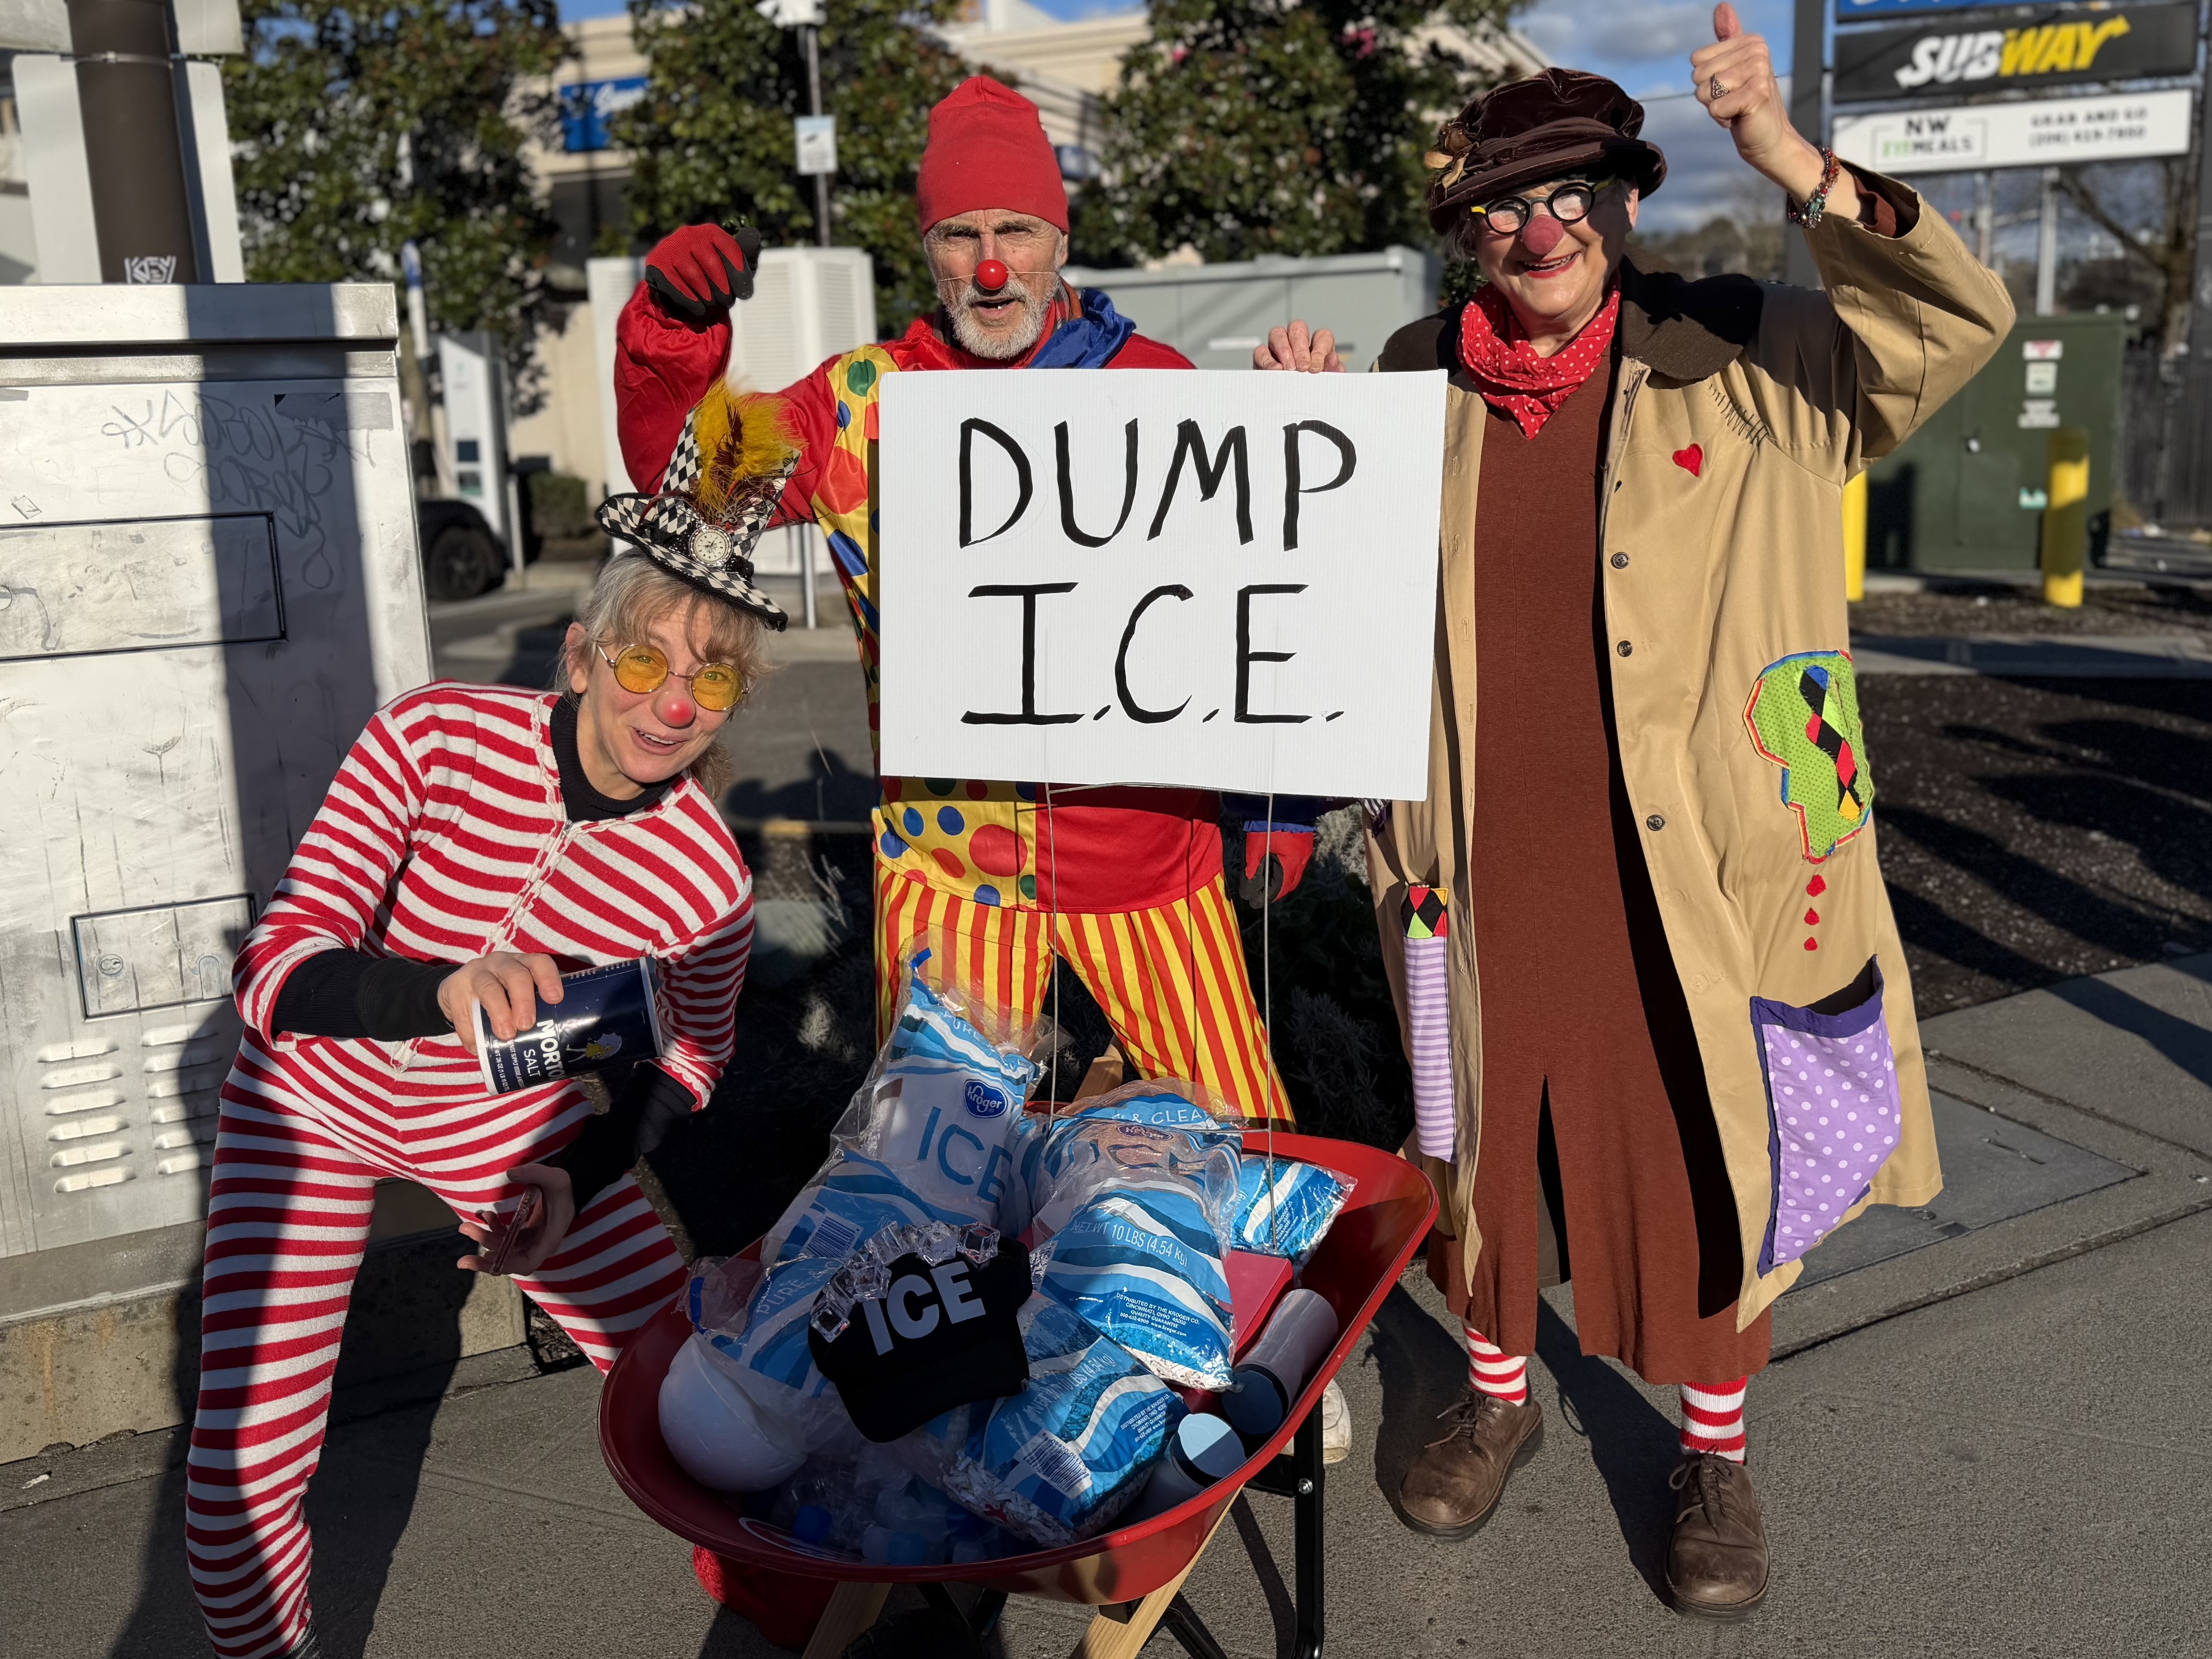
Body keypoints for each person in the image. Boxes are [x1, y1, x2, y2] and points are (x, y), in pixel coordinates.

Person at [1259, 5, 2011, 1619]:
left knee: (1699, 1145)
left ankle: (1716, 1453)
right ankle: (1495, 1390)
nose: (1539, 233)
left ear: (1626, 202)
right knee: (1480, 1141)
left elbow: (1953, 325)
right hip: (1472, 855)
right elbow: (1320, 606)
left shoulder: (1749, 349)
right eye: (1502, 208)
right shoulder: (1411, 388)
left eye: (1572, 198)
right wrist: (1298, 437)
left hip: (1697, 864)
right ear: (1466, 230)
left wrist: (1798, 162)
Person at [183, 402, 793, 1659]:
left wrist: (573, 1173)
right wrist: (440, 986)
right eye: (642, 662)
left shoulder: (702, 879)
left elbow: (691, 1058)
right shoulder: (435, 737)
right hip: (309, 1102)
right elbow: (275, 967)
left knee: (721, 1411)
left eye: (711, 676)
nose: (671, 705)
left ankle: (813, 1623)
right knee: (234, 1479)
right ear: (579, 656)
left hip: (506, 1137)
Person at [615, 74, 1310, 1123]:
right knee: (934, 1188)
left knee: (1240, 1147)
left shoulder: (1161, 385)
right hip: (954, 868)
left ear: (1061, 241)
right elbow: (697, 481)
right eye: (961, 234)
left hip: (1149, 855)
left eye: (1019, 229)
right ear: (928, 249)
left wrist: (1279, 798)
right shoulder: (860, 406)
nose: (992, 267)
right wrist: (669, 331)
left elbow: (1261, 600)